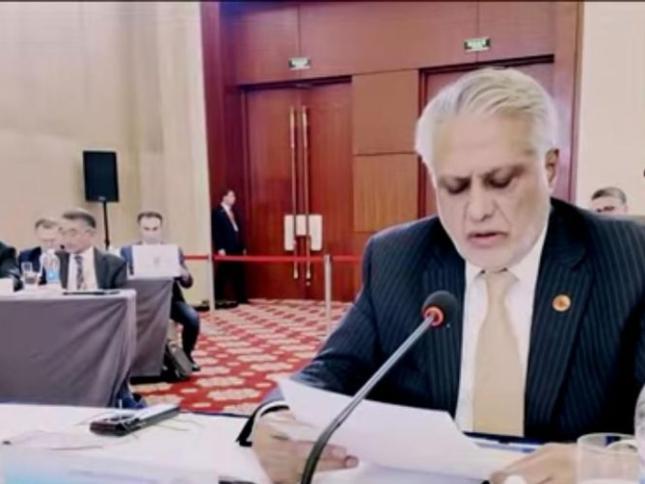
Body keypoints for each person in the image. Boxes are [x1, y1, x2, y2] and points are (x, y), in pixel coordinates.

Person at [242, 68, 645, 483]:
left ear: (550, 168)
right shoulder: (399, 257)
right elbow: (335, 368)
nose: (478, 210)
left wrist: (609, 463)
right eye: (454, 187)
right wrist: (277, 415)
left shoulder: (629, 258)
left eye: (501, 182)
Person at [121, 211, 201, 371]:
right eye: (147, 229)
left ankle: (187, 355)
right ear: (140, 229)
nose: (151, 233)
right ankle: (136, 361)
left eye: (155, 229)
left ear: (161, 229)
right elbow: (121, 279)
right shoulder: (128, 251)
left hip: (170, 300)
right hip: (141, 302)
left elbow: (188, 283)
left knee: (192, 318)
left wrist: (183, 273)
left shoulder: (173, 250)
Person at [58, 209, 126, 290]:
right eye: (63, 233)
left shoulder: (114, 264)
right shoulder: (54, 260)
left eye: (73, 233)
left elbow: (121, 296)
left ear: (90, 234)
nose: (67, 239)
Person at [212, 188, 248, 307]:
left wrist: (242, 246)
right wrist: (220, 247)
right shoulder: (217, 212)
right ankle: (218, 297)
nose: (234, 199)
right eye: (231, 196)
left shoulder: (234, 212)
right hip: (226, 247)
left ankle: (241, 298)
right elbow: (217, 232)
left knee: (239, 273)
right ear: (224, 197)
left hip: (236, 246)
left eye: (234, 196)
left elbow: (238, 229)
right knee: (223, 273)